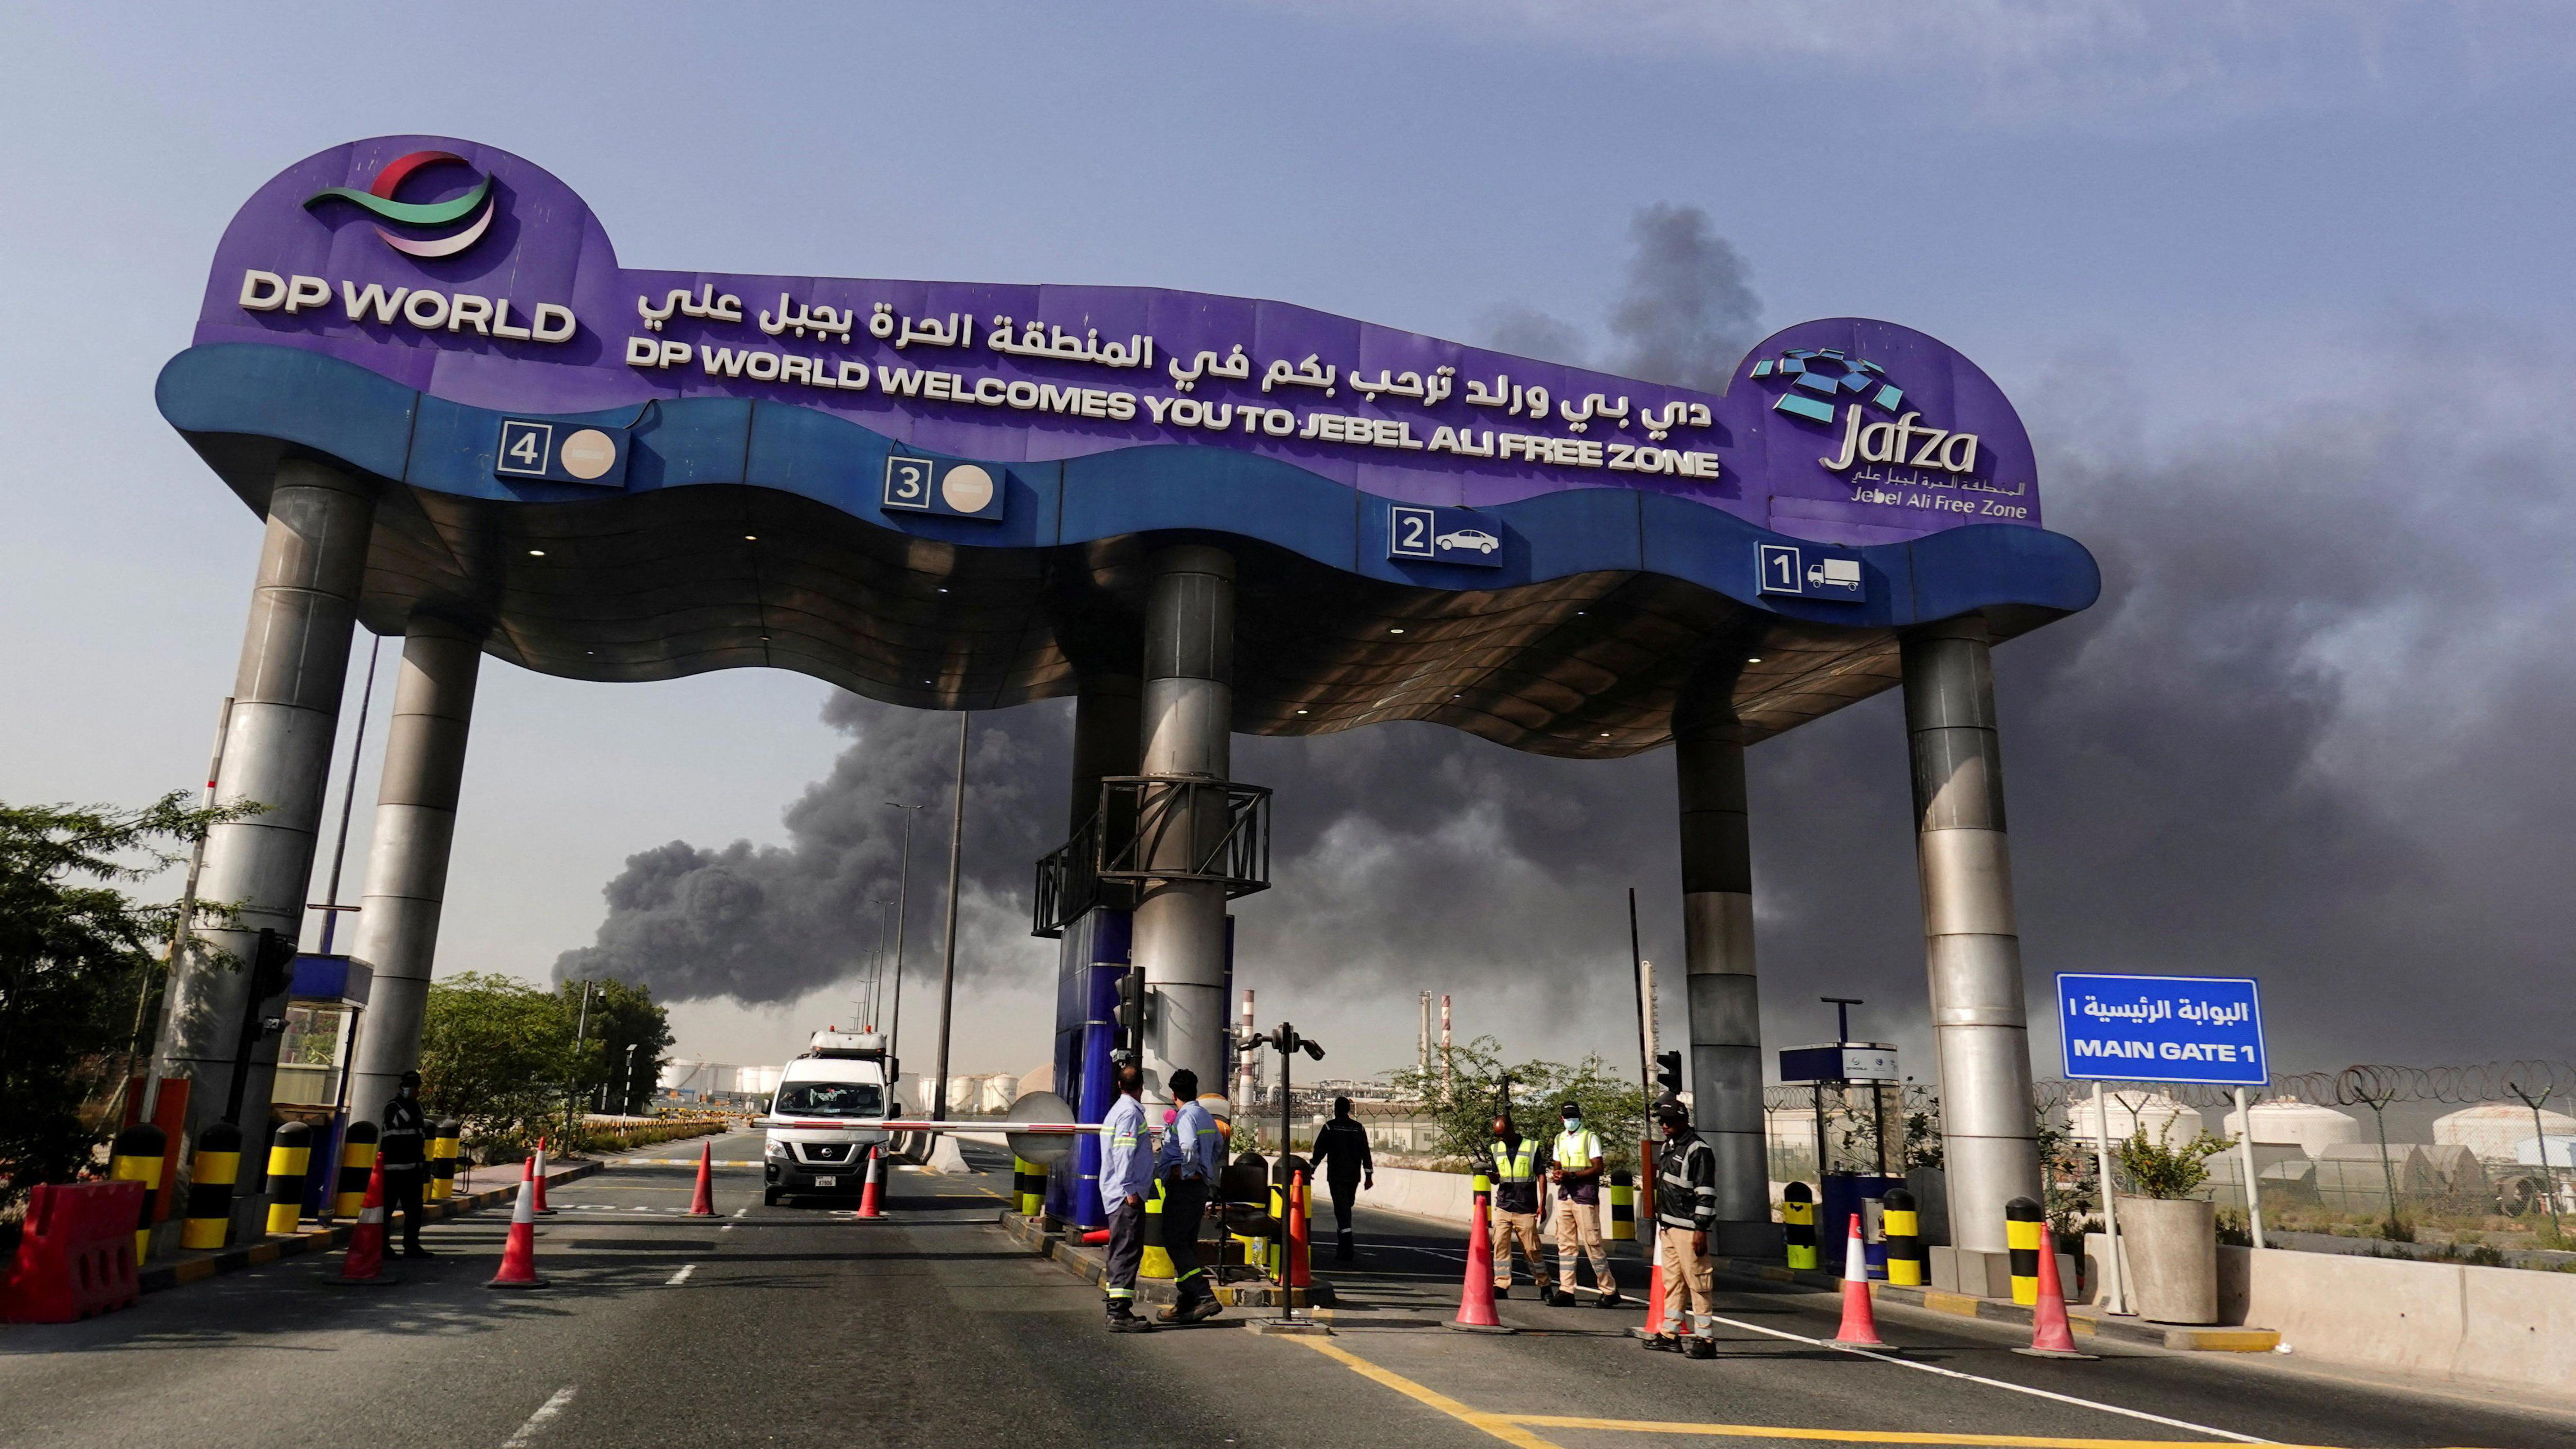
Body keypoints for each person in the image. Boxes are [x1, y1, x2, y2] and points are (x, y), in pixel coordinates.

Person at [1643, 1098, 1719, 1358]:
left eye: (1670, 1121)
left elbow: (1706, 1193)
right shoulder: (1670, 1146)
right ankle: (1670, 1334)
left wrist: (1701, 1229)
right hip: (1669, 1226)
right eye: (1662, 1121)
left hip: (1689, 1229)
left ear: (1684, 1121)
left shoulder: (1698, 1150)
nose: (1664, 1125)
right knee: (1673, 1282)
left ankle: (1706, 1339)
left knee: (1698, 1282)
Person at [1155, 1069, 1225, 1324]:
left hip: (1183, 1188)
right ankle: (1187, 1300)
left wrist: (1187, 1172)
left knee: (1174, 1241)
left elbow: (1187, 1147)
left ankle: (1204, 1295)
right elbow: (1218, 1144)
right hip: (1198, 1188)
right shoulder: (1205, 1115)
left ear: (1174, 1094)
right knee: (1186, 1243)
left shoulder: (1185, 1117)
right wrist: (1205, 1169)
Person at [1098, 1062, 1156, 1332]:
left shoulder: (1117, 1111)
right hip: (1126, 1196)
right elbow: (1124, 1154)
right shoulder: (1130, 1114)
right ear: (1142, 1087)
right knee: (1126, 1252)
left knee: (1121, 1250)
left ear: (1120, 1085)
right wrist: (1130, 1190)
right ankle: (1119, 1314)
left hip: (1119, 1193)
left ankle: (1117, 1306)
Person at [1548, 1098, 1621, 1307]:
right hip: (1566, 1196)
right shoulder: (1560, 1139)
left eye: (1574, 1116)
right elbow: (1558, 1166)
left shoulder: (1590, 1137)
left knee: (1593, 1244)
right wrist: (1558, 1176)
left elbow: (1598, 1168)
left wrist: (1573, 1176)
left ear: (1580, 1117)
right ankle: (1566, 1290)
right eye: (1567, 1117)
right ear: (1561, 1119)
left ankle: (1609, 1290)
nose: (1570, 1120)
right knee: (1565, 1245)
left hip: (1585, 1197)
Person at [1483, 1113, 1546, 1298]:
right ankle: (1501, 1285)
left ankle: (1545, 1285)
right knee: (1500, 1245)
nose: (1501, 1138)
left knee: (1532, 1249)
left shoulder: (1531, 1147)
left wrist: (1542, 1204)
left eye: (1503, 1134)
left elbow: (1541, 1175)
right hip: (1504, 1205)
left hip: (1525, 1207)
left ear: (1511, 1128)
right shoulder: (1496, 1149)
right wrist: (1494, 1178)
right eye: (1498, 1136)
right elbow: (1498, 1177)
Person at [1308, 1096, 1375, 1261]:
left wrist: (1311, 1169)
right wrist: (1368, 1176)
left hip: (1336, 1176)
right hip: (1353, 1177)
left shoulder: (1330, 1127)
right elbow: (1366, 1153)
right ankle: (1344, 1246)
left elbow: (1320, 1150)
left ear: (1336, 1110)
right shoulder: (1358, 1128)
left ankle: (1347, 1246)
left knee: (1342, 1210)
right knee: (1346, 1208)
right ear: (1348, 1110)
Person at [379, 1070, 432, 1259]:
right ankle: (383, 1247)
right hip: (394, 1169)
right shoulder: (393, 1107)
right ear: (403, 1088)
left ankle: (411, 1246)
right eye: (412, 1087)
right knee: (387, 1210)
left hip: (413, 1168)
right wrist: (407, 1100)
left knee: (415, 1210)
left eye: (417, 1087)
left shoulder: (416, 1106)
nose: (416, 1091)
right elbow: (399, 1122)